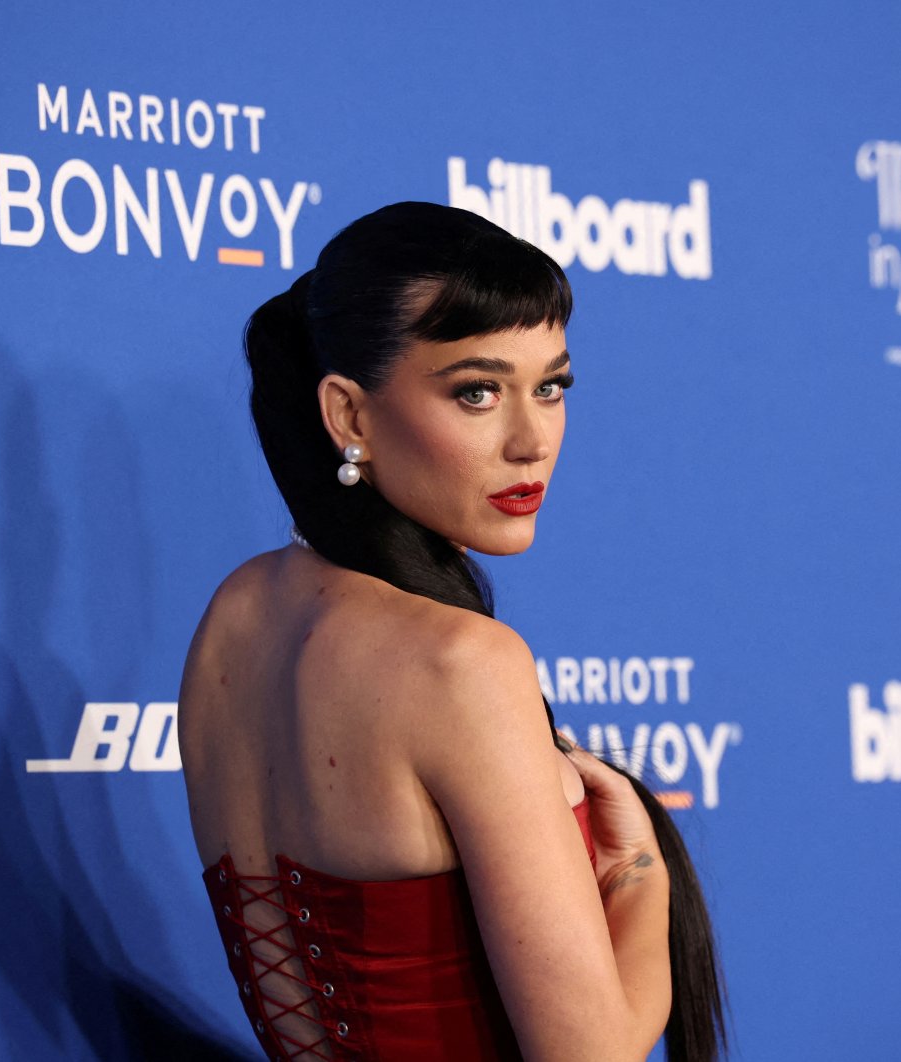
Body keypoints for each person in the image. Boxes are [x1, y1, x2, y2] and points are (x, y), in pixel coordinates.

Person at [177, 201, 726, 1061]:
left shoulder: (233, 617)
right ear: (349, 417)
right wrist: (637, 876)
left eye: (550, 386)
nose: (531, 439)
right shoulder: (462, 664)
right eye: (477, 392)